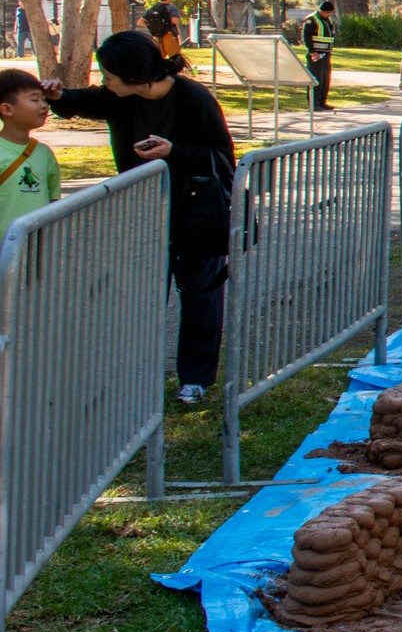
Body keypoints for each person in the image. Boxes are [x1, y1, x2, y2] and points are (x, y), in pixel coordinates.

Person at [45, 32, 235, 404]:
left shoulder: (194, 99)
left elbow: (222, 157)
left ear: (135, 77)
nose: (104, 81)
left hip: (196, 212)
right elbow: (80, 101)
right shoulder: (119, 97)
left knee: (200, 292)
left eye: (109, 75)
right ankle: (136, 377)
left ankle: (194, 379)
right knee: (141, 296)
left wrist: (173, 152)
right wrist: (56, 96)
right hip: (142, 211)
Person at [0, 68, 61, 234]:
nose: (44, 105)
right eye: (35, 100)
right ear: (6, 109)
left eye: (44, 99)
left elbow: (53, 203)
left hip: (36, 248)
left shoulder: (44, 153)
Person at [142, 0, 187, 70]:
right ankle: (174, 74)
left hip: (156, 36)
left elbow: (140, 22)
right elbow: (174, 21)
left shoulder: (152, 8)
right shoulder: (171, 8)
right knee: (175, 57)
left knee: (159, 56)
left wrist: (153, 25)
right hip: (169, 34)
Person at [304, 0, 338, 110]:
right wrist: (313, 52)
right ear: (320, 10)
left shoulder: (328, 20)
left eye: (330, 13)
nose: (328, 14)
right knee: (316, 78)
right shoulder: (311, 20)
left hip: (326, 54)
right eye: (326, 12)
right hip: (315, 54)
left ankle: (322, 101)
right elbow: (307, 38)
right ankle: (313, 103)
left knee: (325, 78)